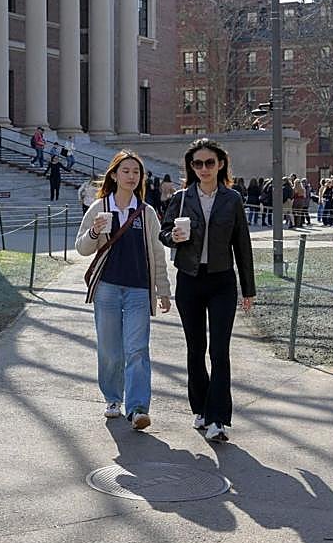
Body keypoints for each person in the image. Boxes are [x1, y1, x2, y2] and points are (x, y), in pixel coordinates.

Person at [159, 140, 255, 444]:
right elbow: (164, 232)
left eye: (209, 163)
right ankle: (199, 408)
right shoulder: (181, 198)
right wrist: (172, 236)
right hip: (189, 279)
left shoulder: (232, 199)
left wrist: (248, 289)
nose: (203, 169)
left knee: (219, 351)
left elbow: (243, 245)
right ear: (191, 167)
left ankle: (218, 419)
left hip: (222, 281)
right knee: (195, 348)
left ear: (221, 164)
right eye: (197, 164)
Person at [75, 151, 171, 431]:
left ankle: (138, 407)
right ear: (114, 175)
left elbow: (156, 252)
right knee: (110, 349)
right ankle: (113, 398)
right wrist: (94, 232)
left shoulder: (146, 212)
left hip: (139, 289)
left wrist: (163, 289)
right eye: (126, 171)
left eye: (136, 172)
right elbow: (82, 248)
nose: (131, 176)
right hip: (107, 288)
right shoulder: (100, 207)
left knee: (137, 348)